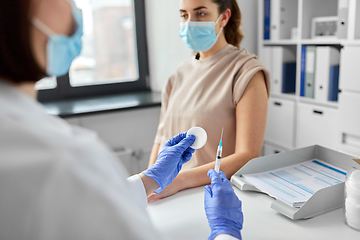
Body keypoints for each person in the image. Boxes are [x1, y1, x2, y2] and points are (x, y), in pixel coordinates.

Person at [0, 0, 243, 239]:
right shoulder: (64, 160)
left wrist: (149, 180)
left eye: (200, 14)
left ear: (224, 17)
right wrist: (225, 231)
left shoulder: (242, 69)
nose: (72, 5)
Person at [147, 0, 270, 202]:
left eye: (201, 14)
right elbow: (160, 139)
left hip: (214, 196)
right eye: (184, 15)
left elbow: (248, 155)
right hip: (167, 194)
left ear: (224, 17)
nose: (190, 23)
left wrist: (177, 181)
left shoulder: (246, 71)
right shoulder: (177, 76)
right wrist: (147, 183)